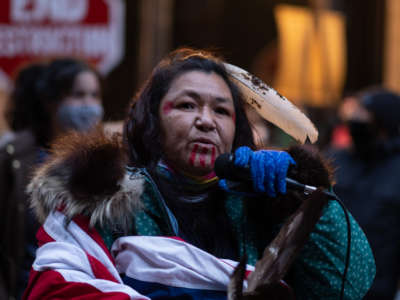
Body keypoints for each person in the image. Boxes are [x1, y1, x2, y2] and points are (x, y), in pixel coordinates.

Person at [23, 48, 375, 299]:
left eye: (221, 110)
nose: (206, 120)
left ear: (236, 128)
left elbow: (348, 284)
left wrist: (302, 195)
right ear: (152, 120)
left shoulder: (261, 204)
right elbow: (57, 288)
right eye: (187, 105)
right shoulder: (104, 199)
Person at [0, 58, 104, 299]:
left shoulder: (108, 162)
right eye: (78, 95)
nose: (89, 105)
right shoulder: (14, 160)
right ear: (51, 102)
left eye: (95, 95)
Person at [327, 88, 400, 300]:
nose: (355, 121)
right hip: (325, 284)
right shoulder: (334, 159)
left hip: (377, 290)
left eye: (364, 115)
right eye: (355, 114)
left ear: (383, 125)